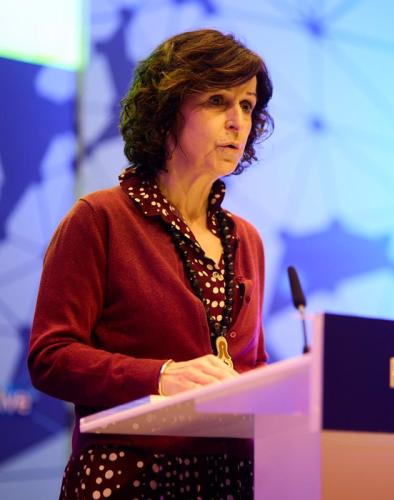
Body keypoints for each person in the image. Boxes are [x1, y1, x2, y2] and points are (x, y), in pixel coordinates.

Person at [27, 29, 273, 499]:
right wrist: (159, 376)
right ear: (165, 112)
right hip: (130, 476)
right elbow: (51, 357)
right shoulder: (99, 219)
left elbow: (252, 365)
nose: (238, 122)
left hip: (233, 481)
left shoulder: (247, 240)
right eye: (218, 101)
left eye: (247, 105)